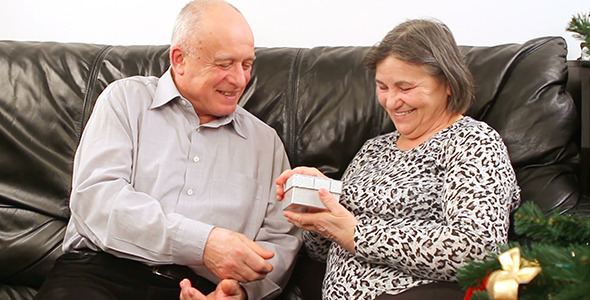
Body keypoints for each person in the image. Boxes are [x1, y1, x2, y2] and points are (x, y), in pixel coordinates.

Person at [34, 1, 301, 299]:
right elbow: (97, 201)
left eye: (247, 64)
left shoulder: (266, 143)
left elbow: (280, 239)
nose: (240, 79)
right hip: (100, 272)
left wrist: (239, 291)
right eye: (225, 64)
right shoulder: (125, 101)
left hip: (200, 291)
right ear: (180, 59)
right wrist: (203, 243)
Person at [274, 19, 521, 300]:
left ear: (449, 83)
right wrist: (318, 205)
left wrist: (357, 233)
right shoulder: (373, 149)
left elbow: (476, 250)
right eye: (383, 87)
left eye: (405, 88)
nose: (391, 102)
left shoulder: (473, 142)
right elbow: (322, 252)